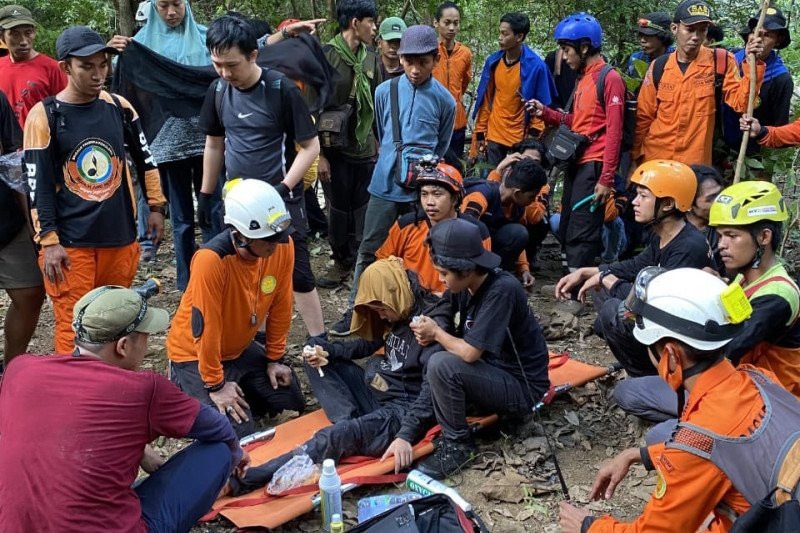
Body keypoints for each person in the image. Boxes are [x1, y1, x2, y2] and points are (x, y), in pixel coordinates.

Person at [558, 267, 798, 533]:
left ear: (671, 356)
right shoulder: (758, 378)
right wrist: (639, 455)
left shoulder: (702, 436)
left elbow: (655, 530)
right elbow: (730, 448)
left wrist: (587, 526)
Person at [0, 286, 247, 532]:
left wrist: (138, 449)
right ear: (124, 346)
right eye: (145, 336)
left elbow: (63, 426)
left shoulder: (20, 369)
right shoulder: (144, 389)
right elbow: (219, 428)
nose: (147, 343)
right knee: (219, 451)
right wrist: (236, 455)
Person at [223, 258, 451, 495]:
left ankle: (243, 481)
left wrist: (405, 436)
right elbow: (366, 345)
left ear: (395, 294)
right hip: (379, 395)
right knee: (315, 352)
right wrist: (326, 352)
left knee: (331, 437)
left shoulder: (428, 324)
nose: (382, 316)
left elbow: (431, 389)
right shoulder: (398, 310)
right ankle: (349, 424)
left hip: (402, 414)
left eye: (382, 309)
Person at [614, 182, 800, 448]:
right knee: (627, 393)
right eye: (720, 235)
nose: (721, 245)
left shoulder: (778, 296)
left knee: (658, 438)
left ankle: (722, 436)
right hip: (729, 385)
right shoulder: (743, 280)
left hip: (762, 402)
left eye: (732, 236)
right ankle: (695, 423)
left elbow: (729, 349)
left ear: (764, 237)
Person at [24, 26, 166, 354]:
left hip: (120, 238)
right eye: (87, 66)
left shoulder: (119, 107)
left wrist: (156, 207)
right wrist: (50, 241)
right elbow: (37, 184)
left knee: (115, 320)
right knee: (72, 324)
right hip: (71, 246)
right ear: (65, 68)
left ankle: (109, 388)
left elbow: (146, 160)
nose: (98, 73)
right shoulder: (45, 115)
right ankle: (73, 394)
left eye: (103, 65)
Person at [197, 15, 324, 338]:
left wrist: (284, 187)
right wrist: (206, 194)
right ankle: (255, 338)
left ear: (253, 55)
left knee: (298, 271)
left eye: (232, 65)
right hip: (238, 200)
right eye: (217, 65)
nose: (225, 73)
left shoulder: (280, 89)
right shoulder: (217, 91)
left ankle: (320, 343)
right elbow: (214, 144)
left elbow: (310, 146)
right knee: (246, 270)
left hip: (280, 197)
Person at [331, 25, 455, 336]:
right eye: (408, 61)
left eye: (422, 62)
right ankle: (356, 311)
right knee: (370, 248)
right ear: (399, 58)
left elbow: (441, 146)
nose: (414, 69)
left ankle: (415, 312)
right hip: (385, 184)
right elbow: (381, 135)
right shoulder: (384, 92)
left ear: (435, 59)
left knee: (423, 250)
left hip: (422, 189)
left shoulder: (445, 101)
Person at [409, 218, 550, 479]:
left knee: (441, 364)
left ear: (466, 269)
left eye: (444, 274)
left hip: (522, 386)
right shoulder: (466, 285)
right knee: (433, 355)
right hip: (492, 371)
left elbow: (469, 353)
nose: (441, 280)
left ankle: (459, 445)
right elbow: (442, 307)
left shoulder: (502, 290)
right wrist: (433, 327)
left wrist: (437, 332)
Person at [167, 179, 304, 438]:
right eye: (267, 239)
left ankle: (241, 386)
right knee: (237, 432)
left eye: (278, 237)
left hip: (238, 350)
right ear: (240, 234)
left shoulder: (283, 247)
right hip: (194, 355)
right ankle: (183, 382)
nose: (275, 244)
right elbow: (206, 326)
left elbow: (282, 305)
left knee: (290, 398)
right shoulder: (211, 260)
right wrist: (215, 384)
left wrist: (275, 359)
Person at [107, 0, 224, 287]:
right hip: (168, 146)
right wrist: (111, 54)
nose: (171, 13)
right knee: (182, 218)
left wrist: (283, 36)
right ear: (154, 9)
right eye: (163, 6)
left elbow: (243, 52)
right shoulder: (140, 45)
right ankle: (187, 282)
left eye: (177, 5)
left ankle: (214, 277)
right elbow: (124, 84)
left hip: (209, 140)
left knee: (212, 210)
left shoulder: (207, 38)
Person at [555, 160, 710, 377]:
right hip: (655, 317)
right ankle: (617, 333)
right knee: (601, 291)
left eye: (643, 196)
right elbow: (635, 266)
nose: (635, 202)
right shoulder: (665, 235)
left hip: (673, 337)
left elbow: (659, 307)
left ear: (667, 204)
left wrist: (608, 279)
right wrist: (589, 271)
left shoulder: (688, 247)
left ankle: (645, 376)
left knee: (610, 307)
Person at [527, 13, 625, 292]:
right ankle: (571, 283)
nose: (564, 56)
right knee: (568, 220)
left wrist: (606, 179)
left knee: (583, 228)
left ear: (584, 47)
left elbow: (614, 131)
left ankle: (576, 295)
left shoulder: (610, 78)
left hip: (594, 164)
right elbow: (578, 123)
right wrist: (545, 113)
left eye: (567, 50)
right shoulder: (584, 79)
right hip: (577, 161)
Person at [633, 0, 765, 166]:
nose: (696, 37)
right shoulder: (659, 66)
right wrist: (634, 160)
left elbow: (742, 104)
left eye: (702, 30)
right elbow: (643, 118)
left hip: (694, 164)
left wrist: (753, 63)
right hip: (655, 159)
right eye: (689, 29)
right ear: (675, 29)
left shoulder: (721, 61)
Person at [316, 0, 382, 290]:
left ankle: (358, 263)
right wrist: (319, 156)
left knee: (362, 208)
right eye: (371, 21)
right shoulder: (326, 56)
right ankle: (340, 261)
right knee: (339, 209)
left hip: (365, 147)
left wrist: (380, 143)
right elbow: (311, 108)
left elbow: (379, 103)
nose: (375, 28)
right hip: (335, 148)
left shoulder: (372, 57)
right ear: (356, 22)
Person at [376, 161, 490, 294]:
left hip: (454, 300)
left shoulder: (476, 232)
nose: (429, 202)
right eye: (424, 194)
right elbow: (382, 262)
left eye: (437, 194)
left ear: (454, 198)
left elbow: (480, 278)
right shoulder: (407, 225)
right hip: (409, 296)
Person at [473, 12, 555, 165]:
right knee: (492, 181)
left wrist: (531, 139)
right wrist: (479, 132)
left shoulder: (536, 67)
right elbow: (486, 100)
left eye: (505, 34)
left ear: (519, 37)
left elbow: (542, 108)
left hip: (519, 138)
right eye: (499, 32)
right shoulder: (493, 62)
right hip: (494, 134)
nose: (500, 37)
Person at [0, 89, 43, 367]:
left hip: (5, 216)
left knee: (30, 291)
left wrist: (33, 223)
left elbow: (13, 161)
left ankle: (12, 369)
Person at [462, 158, 546, 289]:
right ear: (517, 193)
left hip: (490, 249)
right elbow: (463, 229)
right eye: (531, 196)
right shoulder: (481, 195)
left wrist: (524, 270)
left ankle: (495, 277)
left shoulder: (518, 207)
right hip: (467, 250)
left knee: (519, 233)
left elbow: (519, 240)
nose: (533, 201)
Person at [721, 7, 793, 156]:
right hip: (720, 144)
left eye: (767, 35)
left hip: (753, 152)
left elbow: (779, 128)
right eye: (755, 33)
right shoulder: (731, 59)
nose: (759, 39)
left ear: (777, 40)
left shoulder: (781, 78)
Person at [0, 5, 67, 128]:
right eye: (15, 34)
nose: (24, 41)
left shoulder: (53, 68)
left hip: (40, 143)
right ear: (2, 36)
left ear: (34, 32)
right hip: (6, 145)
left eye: (28, 33)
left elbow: (67, 111)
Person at [487, 138, 551, 266]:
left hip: (523, 227)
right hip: (497, 226)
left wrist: (527, 193)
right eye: (526, 159)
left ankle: (527, 256)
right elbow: (489, 196)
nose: (530, 164)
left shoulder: (542, 185)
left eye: (536, 162)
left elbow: (534, 217)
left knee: (541, 223)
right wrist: (499, 170)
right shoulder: (504, 175)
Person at [432, 2, 472, 160]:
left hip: (457, 123)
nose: (451, 28)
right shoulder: (429, 50)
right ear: (436, 23)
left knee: (454, 168)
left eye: (456, 23)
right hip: (434, 122)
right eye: (446, 22)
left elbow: (464, 83)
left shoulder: (465, 53)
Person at [687, 164, 723, 272]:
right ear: (689, 204)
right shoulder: (674, 233)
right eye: (711, 198)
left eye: (720, 194)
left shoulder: (727, 227)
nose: (719, 202)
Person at [626, 12, 674, 80]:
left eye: (648, 35)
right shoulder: (635, 58)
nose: (642, 40)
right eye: (641, 35)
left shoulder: (676, 60)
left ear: (663, 37)